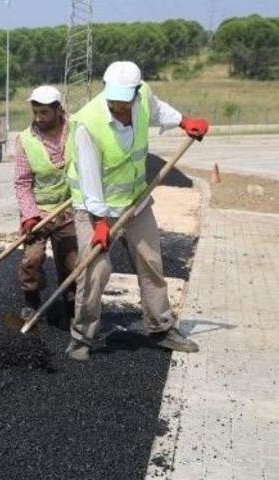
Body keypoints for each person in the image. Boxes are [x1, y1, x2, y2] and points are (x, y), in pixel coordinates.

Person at [65, 61, 209, 361]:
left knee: (151, 262)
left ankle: (161, 327)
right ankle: (81, 337)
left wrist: (185, 122)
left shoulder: (142, 96)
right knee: (95, 271)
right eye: (113, 100)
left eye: (124, 101)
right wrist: (100, 223)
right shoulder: (87, 122)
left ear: (135, 91)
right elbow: (90, 180)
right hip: (95, 207)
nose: (118, 106)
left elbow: (159, 110)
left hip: (135, 201)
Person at [14, 85, 77, 329]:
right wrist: (29, 216)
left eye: (44, 113)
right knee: (32, 258)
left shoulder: (75, 130)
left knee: (73, 264)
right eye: (35, 112)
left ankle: (71, 310)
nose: (39, 118)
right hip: (38, 211)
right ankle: (32, 302)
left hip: (69, 211)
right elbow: (22, 183)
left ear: (58, 110)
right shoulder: (25, 140)